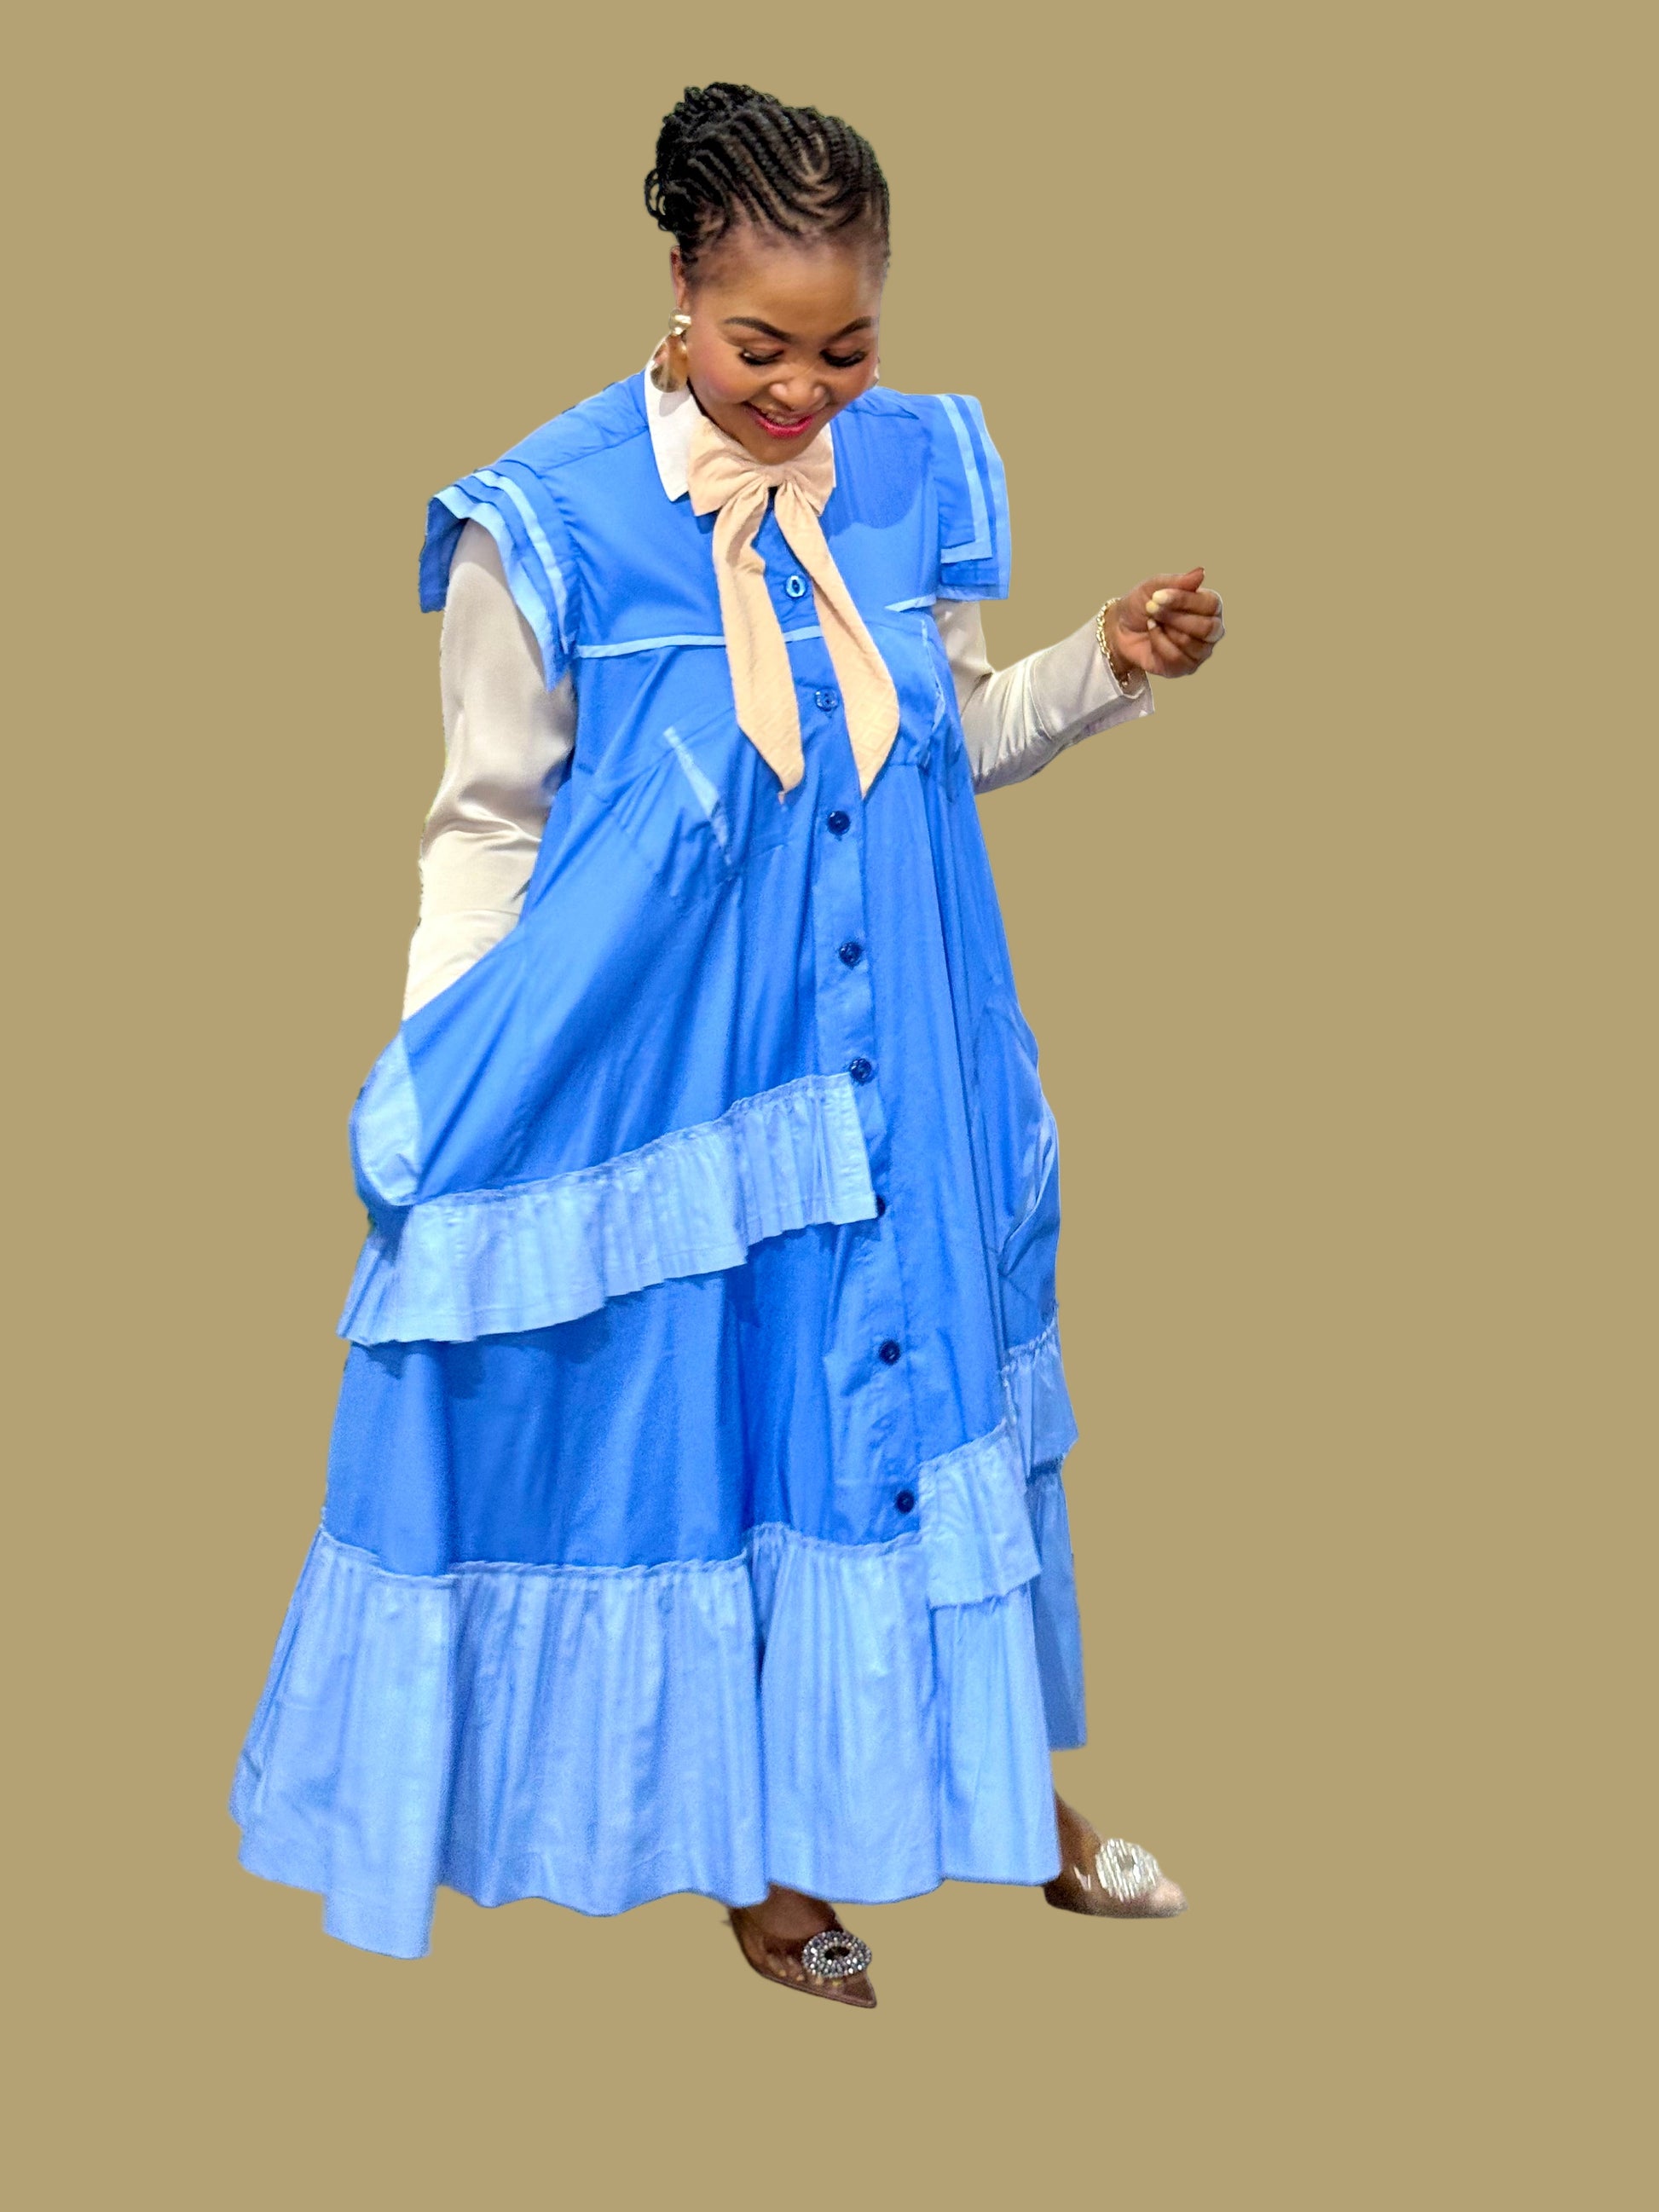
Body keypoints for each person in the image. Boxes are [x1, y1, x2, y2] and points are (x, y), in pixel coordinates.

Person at [231, 82, 1225, 2007]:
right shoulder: (547, 519)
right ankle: (765, 1870)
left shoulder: (916, 468)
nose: (802, 392)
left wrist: (1101, 662)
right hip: (678, 1080)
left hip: (910, 1051)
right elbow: (487, 830)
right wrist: (447, 1078)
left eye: (846, 347)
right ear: (679, 287)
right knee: (726, 1444)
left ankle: (1002, 1795)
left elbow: (941, 739)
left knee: (918, 1419)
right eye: (760, 345)